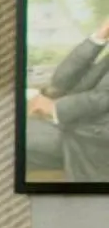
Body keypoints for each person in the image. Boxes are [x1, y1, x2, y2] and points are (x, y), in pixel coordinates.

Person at [24, 14, 109, 184]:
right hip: (79, 129)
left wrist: (55, 108)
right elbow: (61, 82)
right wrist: (99, 37)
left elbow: (103, 97)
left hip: (93, 142)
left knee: (6, 140)